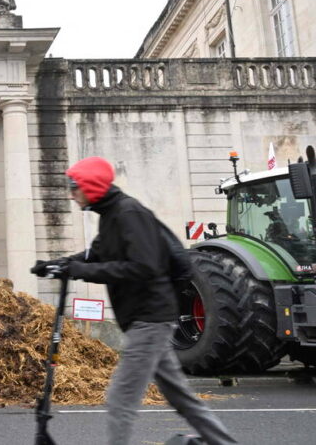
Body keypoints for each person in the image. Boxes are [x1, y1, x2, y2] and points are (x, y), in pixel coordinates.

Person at [32, 156, 238, 445]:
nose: (71, 193)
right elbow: (95, 256)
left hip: (150, 318)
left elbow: (144, 267)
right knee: (181, 398)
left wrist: (79, 270)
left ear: (91, 186)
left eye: (74, 186)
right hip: (146, 319)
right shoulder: (109, 217)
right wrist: (58, 264)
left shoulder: (129, 213)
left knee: (120, 398)